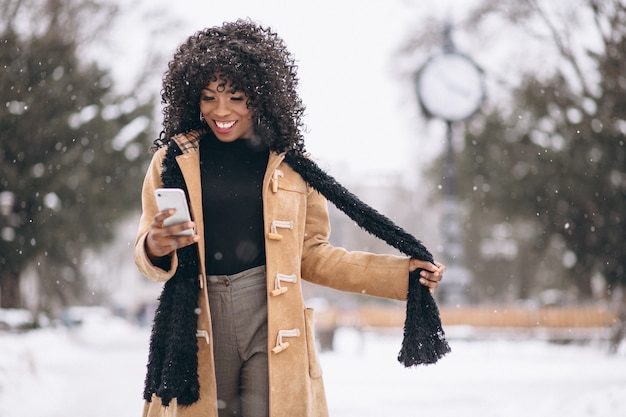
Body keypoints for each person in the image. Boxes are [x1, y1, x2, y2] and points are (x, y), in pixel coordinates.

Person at [134, 19, 445, 417]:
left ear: (261, 96)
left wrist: (402, 275)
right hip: (198, 319)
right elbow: (147, 248)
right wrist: (156, 246)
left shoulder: (294, 168)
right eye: (209, 97)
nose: (221, 111)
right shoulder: (172, 161)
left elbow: (312, 255)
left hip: (272, 319)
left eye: (236, 97)